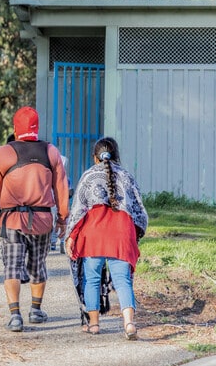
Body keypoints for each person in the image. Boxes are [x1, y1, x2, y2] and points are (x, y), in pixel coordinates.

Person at [0, 106, 70, 332]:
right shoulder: (51, 151)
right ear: (37, 127)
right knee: (38, 264)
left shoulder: (3, 153)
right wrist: (62, 219)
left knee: (12, 266)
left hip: (11, 220)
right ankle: (35, 310)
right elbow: (62, 188)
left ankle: (15, 315)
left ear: (15, 128)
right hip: (42, 221)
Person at [65, 137, 148, 340]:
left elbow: (77, 212)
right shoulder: (126, 177)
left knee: (92, 279)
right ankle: (129, 324)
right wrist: (135, 234)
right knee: (123, 281)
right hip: (120, 235)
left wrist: (70, 236)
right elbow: (139, 213)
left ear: (95, 158)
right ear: (115, 155)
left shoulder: (87, 176)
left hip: (93, 235)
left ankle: (93, 324)